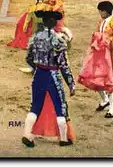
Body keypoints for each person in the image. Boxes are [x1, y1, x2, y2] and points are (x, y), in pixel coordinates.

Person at [22, 11, 75, 147]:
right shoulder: (59, 40)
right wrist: (70, 84)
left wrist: (38, 67)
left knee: (35, 106)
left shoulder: (35, 38)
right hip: (53, 76)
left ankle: (27, 136)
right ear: (54, 23)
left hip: (39, 74)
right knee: (60, 107)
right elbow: (64, 66)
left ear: (44, 22)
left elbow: (28, 57)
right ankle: (63, 139)